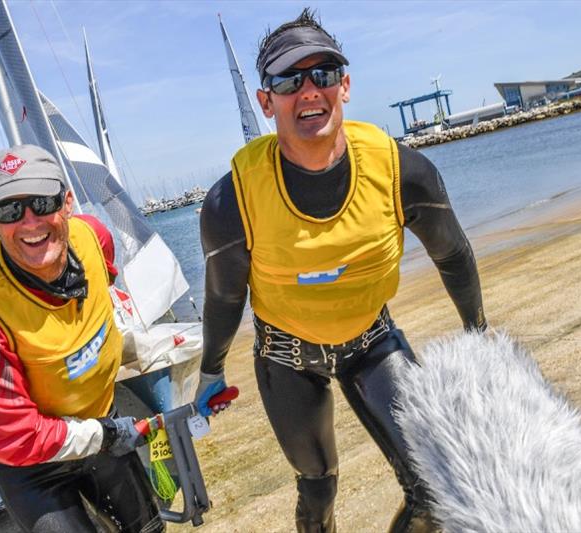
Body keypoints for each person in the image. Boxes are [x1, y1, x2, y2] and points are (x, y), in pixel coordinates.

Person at [193, 9, 486, 533]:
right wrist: (212, 369)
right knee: (319, 483)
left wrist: (479, 333)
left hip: (371, 337)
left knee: (436, 486)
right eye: (288, 80)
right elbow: (222, 298)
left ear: (344, 86)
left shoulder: (402, 171)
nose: (308, 90)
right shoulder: (230, 202)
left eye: (323, 74)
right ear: (266, 102)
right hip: (286, 353)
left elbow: (453, 254)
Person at [0, 144, 164, 533]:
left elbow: (99, 294)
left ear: (68, 202)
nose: (29, 222)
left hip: (99, 424)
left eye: (41, 202)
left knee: (149, 529)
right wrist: (105, 433)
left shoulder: (94, 237)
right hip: (32, 467)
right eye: (9, 210)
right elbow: (17, 437)